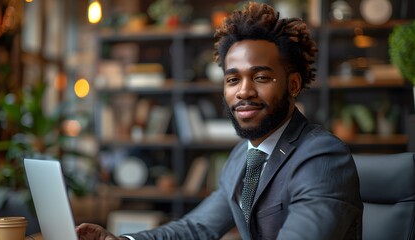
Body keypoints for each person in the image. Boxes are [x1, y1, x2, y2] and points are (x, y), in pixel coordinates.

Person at [77, 2, 363, 239]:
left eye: (261, 77)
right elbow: (196, 227)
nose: (244, 91)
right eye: (233, 79)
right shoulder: (244, 156)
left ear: (294, 85)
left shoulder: (321, 156)